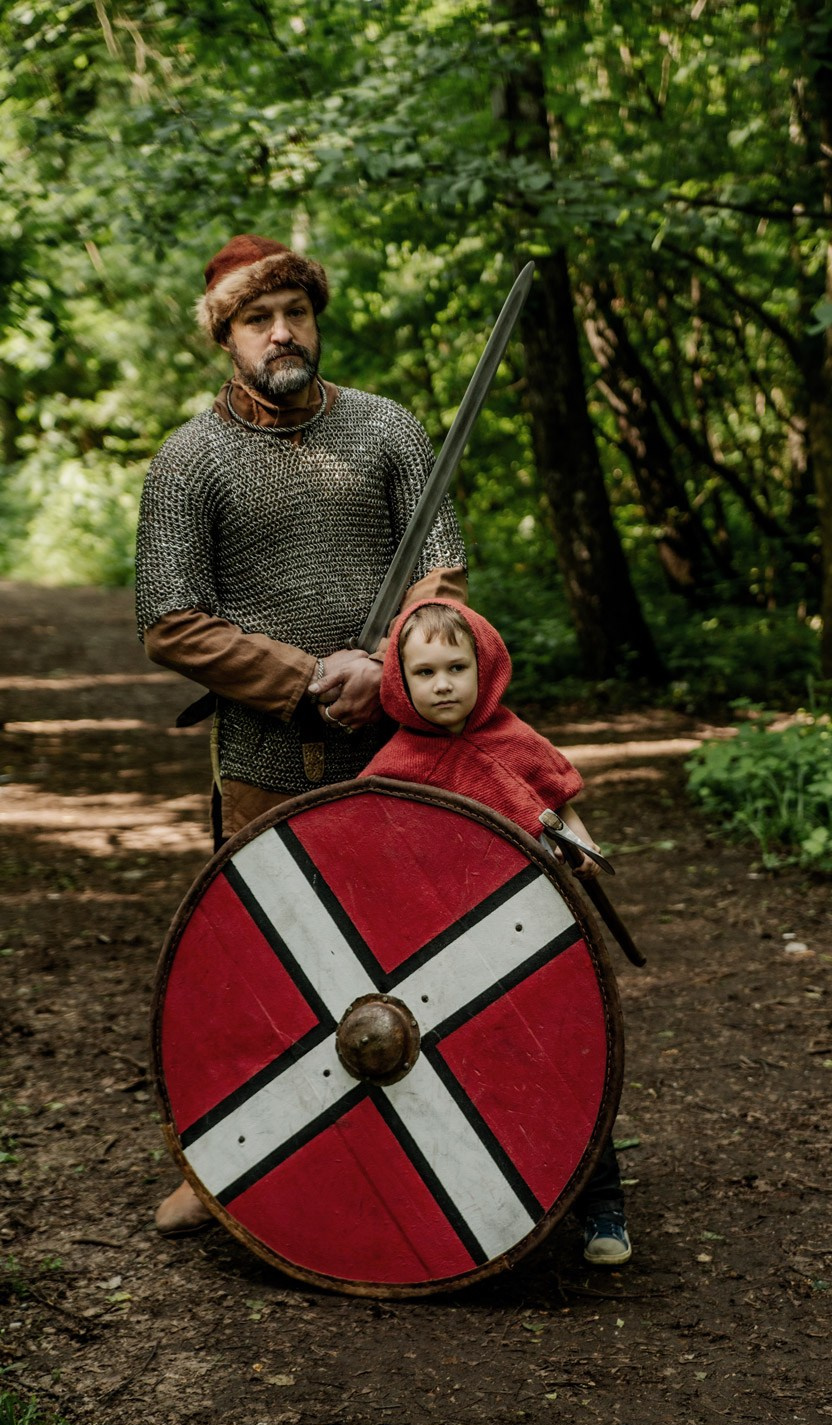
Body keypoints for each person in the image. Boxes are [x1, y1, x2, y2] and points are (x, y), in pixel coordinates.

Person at [135, 233, 467, 1234]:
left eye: (297, 312)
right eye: (256, 317)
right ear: (224, 337)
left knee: (417, 946)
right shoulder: (190, 462)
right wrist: (308, 676)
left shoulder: (388, 431)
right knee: (257, 959)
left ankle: (434, 1161)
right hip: (266, 752)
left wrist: (388, 664)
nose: (282, 331)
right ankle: (221, 1158)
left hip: (401, 740)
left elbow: (439, 575)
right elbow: (169, 620)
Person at [364, 599, 632, 1266]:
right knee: (472, 1072)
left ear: (485, 668)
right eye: (424, 672)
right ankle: (485, 1200)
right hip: (442, 957)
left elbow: (561, 811)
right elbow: (365, 854)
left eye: (457, 666)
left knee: (569, 1063)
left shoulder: (516, 740)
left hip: (537, 936)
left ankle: (602, 1209)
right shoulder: (393, 766)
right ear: (400, 682)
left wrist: (583, 854)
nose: (444, 684)